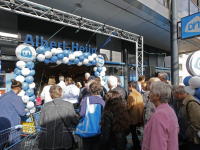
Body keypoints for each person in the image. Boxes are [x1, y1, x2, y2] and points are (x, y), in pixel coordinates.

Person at [38, 85, 79, 150]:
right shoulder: (68, 105)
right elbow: (75, 121)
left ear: (51, 96)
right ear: (61, 94)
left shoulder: (45, 106)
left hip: (49, 139)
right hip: (64, 139)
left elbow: (40, 123)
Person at [142, 81, 179, 150]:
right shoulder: (169, 109)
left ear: (157, 96)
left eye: (151, 92)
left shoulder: (160, 115)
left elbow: (158, 145)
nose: (149, 94)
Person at [0, 79, 28, 150]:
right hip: (12, 125)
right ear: (18, 88)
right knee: (14, 145)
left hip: (1, 124)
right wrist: (26, 110)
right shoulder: (16, 98)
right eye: (21, 89)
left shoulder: (3, 96)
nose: (21, 91)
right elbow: (21, 112)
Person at [172, 85, 200, 150]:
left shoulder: (192, 103)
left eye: (174, 95)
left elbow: (196, 123)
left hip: (193, 140)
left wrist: (189, 136)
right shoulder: (181, 102)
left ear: (178, 93)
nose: (174, 97)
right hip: (186, 138)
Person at [79, 81, 105, 150]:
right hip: (98, 129)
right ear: (100, 90)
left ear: (90, 89)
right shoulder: (102, 101)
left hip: (87, 129)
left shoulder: (85, 99)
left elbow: (81, 114)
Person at [127, 81, 144, 150]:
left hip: (133, 116)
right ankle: (137, 145)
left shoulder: (131, 95)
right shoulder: (139, 94)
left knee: (133, 133)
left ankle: (136, 146)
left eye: (128, 86)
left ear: (131, 86)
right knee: (135, 132)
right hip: (139, 115)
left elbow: (128, 106)